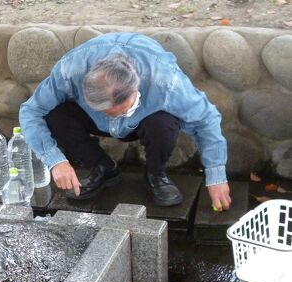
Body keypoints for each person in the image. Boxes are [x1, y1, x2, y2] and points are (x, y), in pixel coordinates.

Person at [19, 32, 232, 210]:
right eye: (110, 111)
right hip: (93, 120)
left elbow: (206, 118)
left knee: (163, 123)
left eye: (122, 109)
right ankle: (103, 168)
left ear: (135, 88)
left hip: (147, 123)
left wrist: (216, 176)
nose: (117, 116)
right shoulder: (70, 71)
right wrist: (56, 161)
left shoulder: (165, 80)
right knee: (55, 114)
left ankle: (155, 175)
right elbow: (31, 110)